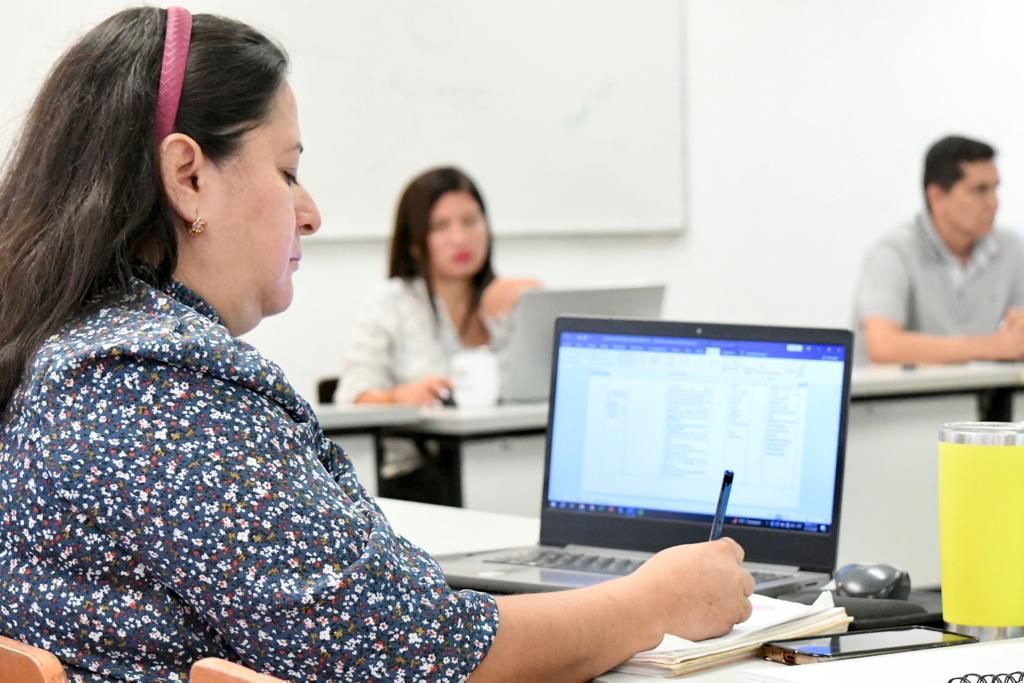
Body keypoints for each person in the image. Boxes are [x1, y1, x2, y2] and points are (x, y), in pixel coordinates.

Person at [0, 7, 753, 683]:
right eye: (288, 171)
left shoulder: (64, 348)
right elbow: (422, 654)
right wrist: (654, 601)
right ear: (188, 177)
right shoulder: (159, 381)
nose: (310, 212)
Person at [338, 166, 540, 408]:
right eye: (440, 226)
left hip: (509, 433)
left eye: (470, 221)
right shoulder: (389, 302)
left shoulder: (512, 297)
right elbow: (351, 398)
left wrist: (536, 298)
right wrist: (396, 398)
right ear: (414, 243)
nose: (460, 239)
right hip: (415, 433)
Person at [853, 135, 1024, 364]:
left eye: (995, 189)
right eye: (980, 190)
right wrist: (992, 345)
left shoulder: (1011, 249)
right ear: (937, 197)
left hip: (985, 388)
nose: (994, 203)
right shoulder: (893, 253)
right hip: (910, 389)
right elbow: (884, 346)